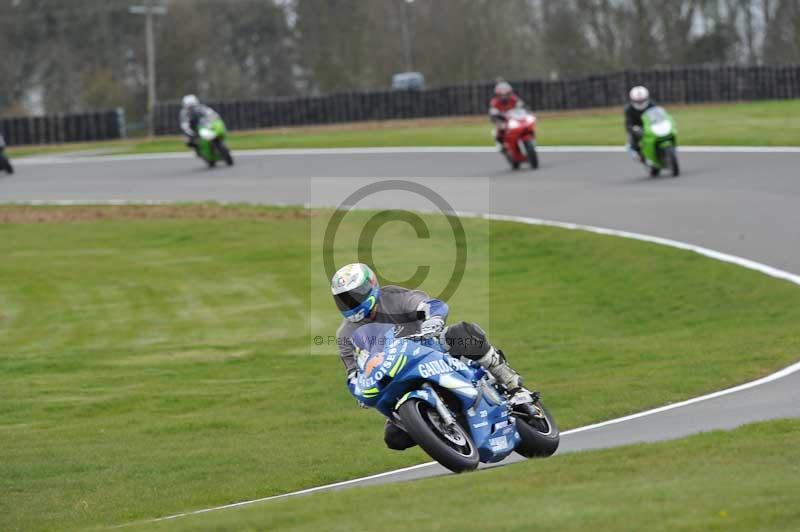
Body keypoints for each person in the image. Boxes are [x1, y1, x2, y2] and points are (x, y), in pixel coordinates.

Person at [331, 262, 530, 451]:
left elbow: (431, 305)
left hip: (429, 348)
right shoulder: (345, 335)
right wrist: (360, 391)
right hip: (396, 376)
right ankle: (439, 431)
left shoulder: (393, 297)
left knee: (460, 333)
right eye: (344, 299)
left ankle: (514, 387)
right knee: (394, 438)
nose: (351, 303)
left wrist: (433, 320)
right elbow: (354, 372)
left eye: (355, 296)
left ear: (371, 286)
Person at [488, 80, 526, 150]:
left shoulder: (514, 99)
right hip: (502, 120)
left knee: (525, 125)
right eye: (501, 95)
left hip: (515, 118)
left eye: (506, 94)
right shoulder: (494, 102)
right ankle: (501, 143)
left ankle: (525, 139)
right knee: (501, 127)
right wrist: (498, 121)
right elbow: (492, 115)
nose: (504, 97)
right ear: (498, 94)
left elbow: (523, 108)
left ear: (509, 93)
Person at [624, 86, 656, 162]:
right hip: (637, 128)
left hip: (651, 126)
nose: (640, 103)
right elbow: (628, 124)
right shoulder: (629, 109)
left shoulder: (652, 105)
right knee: (633, 139)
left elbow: (659, 114)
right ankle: (637, 153)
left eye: (642, 100)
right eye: (638, 101)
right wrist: (633, 128)